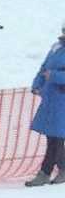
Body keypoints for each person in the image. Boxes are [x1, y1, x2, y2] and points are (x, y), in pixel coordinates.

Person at [25, 24, 65, 187]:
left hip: (62, 99)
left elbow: (51, 72)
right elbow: (44, 67)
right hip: (51, 98)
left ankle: (45, 172)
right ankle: (62, 169)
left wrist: (54, 75)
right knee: (54, 137)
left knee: (56, 137)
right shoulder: (57, 47)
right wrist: (37, 83)